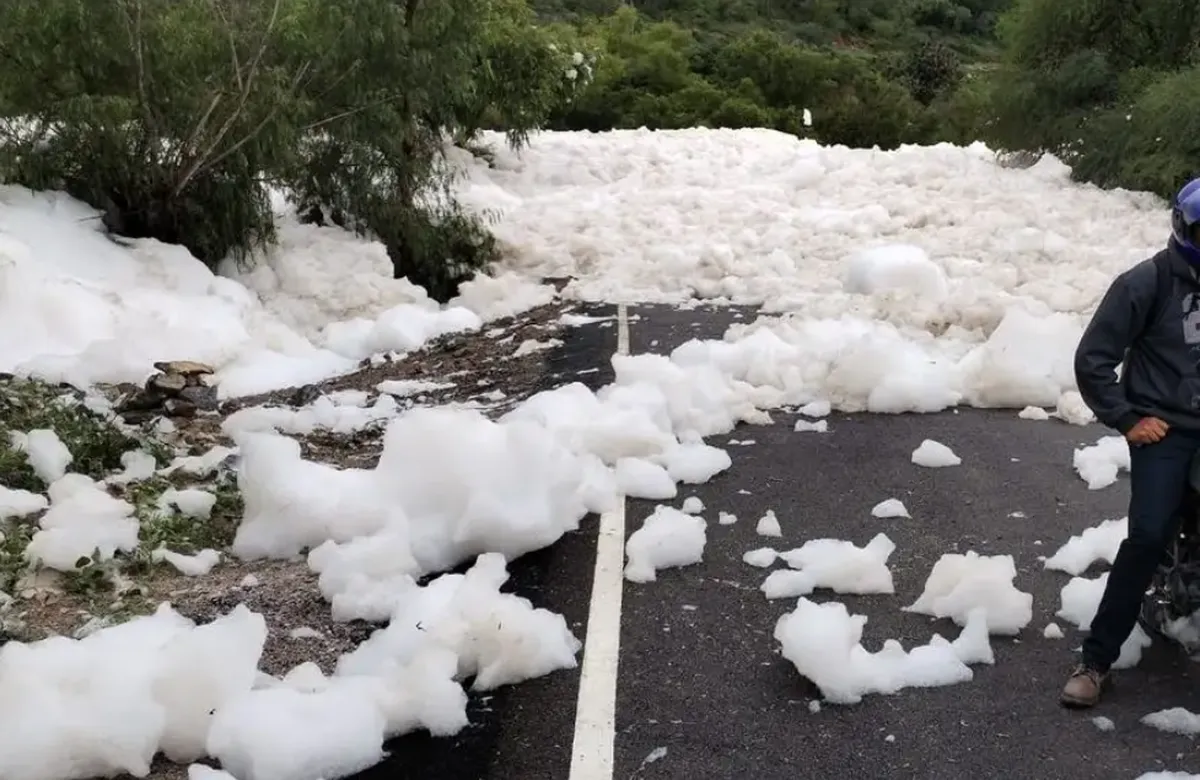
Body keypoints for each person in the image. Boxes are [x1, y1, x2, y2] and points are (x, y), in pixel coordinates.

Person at [1064, 176, 1200, 708]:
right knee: (1146, 536)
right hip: (1163, 430)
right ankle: (1096, 661)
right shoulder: (1147, 282)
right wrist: (1126, 418)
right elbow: (1093, 358)